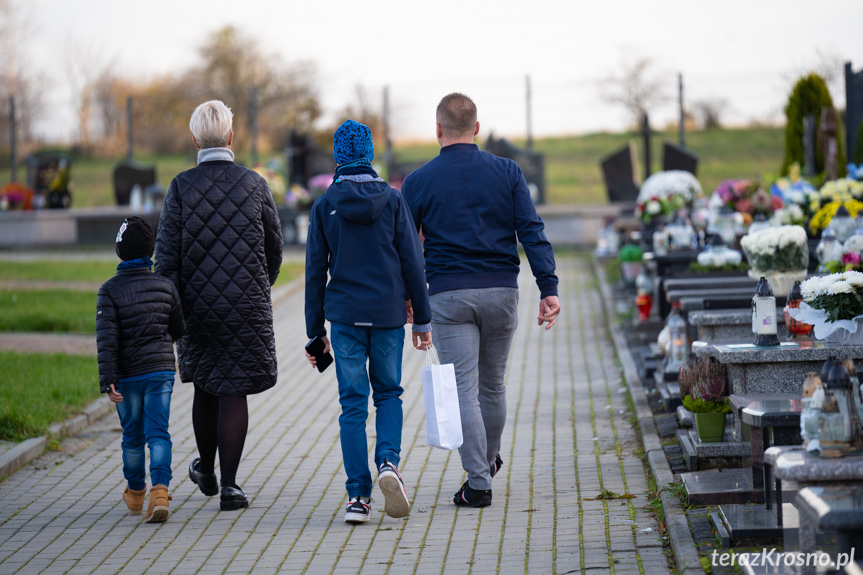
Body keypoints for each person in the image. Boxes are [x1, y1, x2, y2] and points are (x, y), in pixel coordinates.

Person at [401, 93, 561, 508]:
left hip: (448, 297)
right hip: (503, 291)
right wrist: (549, 288)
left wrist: (408, 297)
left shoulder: (418, 181)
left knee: (464, 391)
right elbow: (531, 229)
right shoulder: (507, 171)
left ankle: (477, 483)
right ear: (476, 127)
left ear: (438, 129)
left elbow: (402, 247)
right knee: (492, 386)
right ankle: (485, 465)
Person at [155, 100, 283, 511]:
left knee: (207, 386)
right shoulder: (254, 183)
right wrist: (260, 285)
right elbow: (274, 247)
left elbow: (166, 258)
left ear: (195, 139)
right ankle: (230, 487)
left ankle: (205, 471)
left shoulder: (180, 186)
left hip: (197, 309)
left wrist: (172, 310)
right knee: (235, 391)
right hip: (245, 305)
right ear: (231, 137)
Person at [305, 119, 433, 524]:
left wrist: (314, 333)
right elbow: (413, 261)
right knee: (389, 394)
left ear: (338, 156)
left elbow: (313, 273)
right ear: (369, 153)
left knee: (352, 405)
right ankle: (389, 464)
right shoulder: (394, 202)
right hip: (387, 315)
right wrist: (422, 318)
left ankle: (357, 497)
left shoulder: (325, 206)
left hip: (343, 318)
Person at [97, 216, 185, 523]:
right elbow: (178, 328)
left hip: (128, 375)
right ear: (151, 250)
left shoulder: (109, 291)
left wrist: (108, 378)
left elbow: (107, 340)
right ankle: (160, 490)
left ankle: (136, 491)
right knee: (158, 432)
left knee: (132, 435)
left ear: (120, 251)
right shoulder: (165, 285)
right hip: (161, 371)